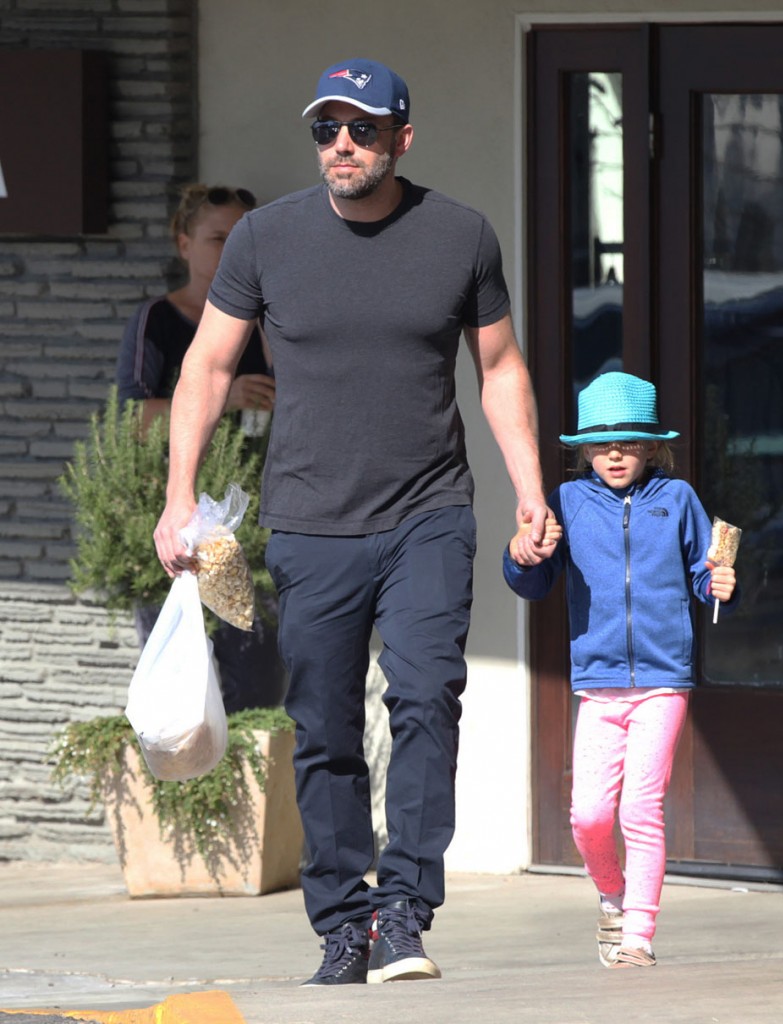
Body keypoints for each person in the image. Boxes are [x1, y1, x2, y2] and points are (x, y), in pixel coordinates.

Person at [152, 59, 552, 986]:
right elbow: (208, 368)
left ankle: (406, 911)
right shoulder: (265, 239)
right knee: (325, 726)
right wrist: (180, 497)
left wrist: (530, 490)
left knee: (424, 701)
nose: (342, 144)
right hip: (310, 519)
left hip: (429, 515)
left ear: (400, 138)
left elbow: (499, 370)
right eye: (327, 128)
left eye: (362, 128)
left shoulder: (460, 235)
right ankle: (344, 922)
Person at [503, 371, 738, 969]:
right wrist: (522, 554)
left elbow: (701, 574)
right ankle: (612, 894)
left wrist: (720, 583)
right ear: (583, 447)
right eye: (603, 442)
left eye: (629, 441)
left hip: (663, 680)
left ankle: (638, 933)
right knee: (588, 816)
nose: (615, 452)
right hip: (598, 682)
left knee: (639, 807)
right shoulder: (568, 503)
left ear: (652, 445)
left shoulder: (678, 499)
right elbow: (534, 582)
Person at [117, 182, 284, 714]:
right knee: (182, 681)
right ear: (183, 243)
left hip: (250, 524)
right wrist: (228, 397)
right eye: (217, 238)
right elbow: (132, 423)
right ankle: (191, 791)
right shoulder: (159, 321)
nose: (230, 249)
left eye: (241, 237)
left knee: (257, 681)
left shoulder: (266, 324)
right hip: (178, 523)